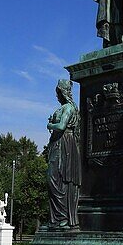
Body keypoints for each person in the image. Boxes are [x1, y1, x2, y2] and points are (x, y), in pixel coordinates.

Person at [46, 79, 82, 229]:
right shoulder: (63, 108)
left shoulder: (68, 108)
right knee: (54, 179)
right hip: (58, 143)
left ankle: (63, 217)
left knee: (57, 179)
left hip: (64, 145)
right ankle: (57, 218)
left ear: (63, 92)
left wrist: (50, 124)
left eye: (58, 92)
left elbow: (61, 126)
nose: (56, 95)